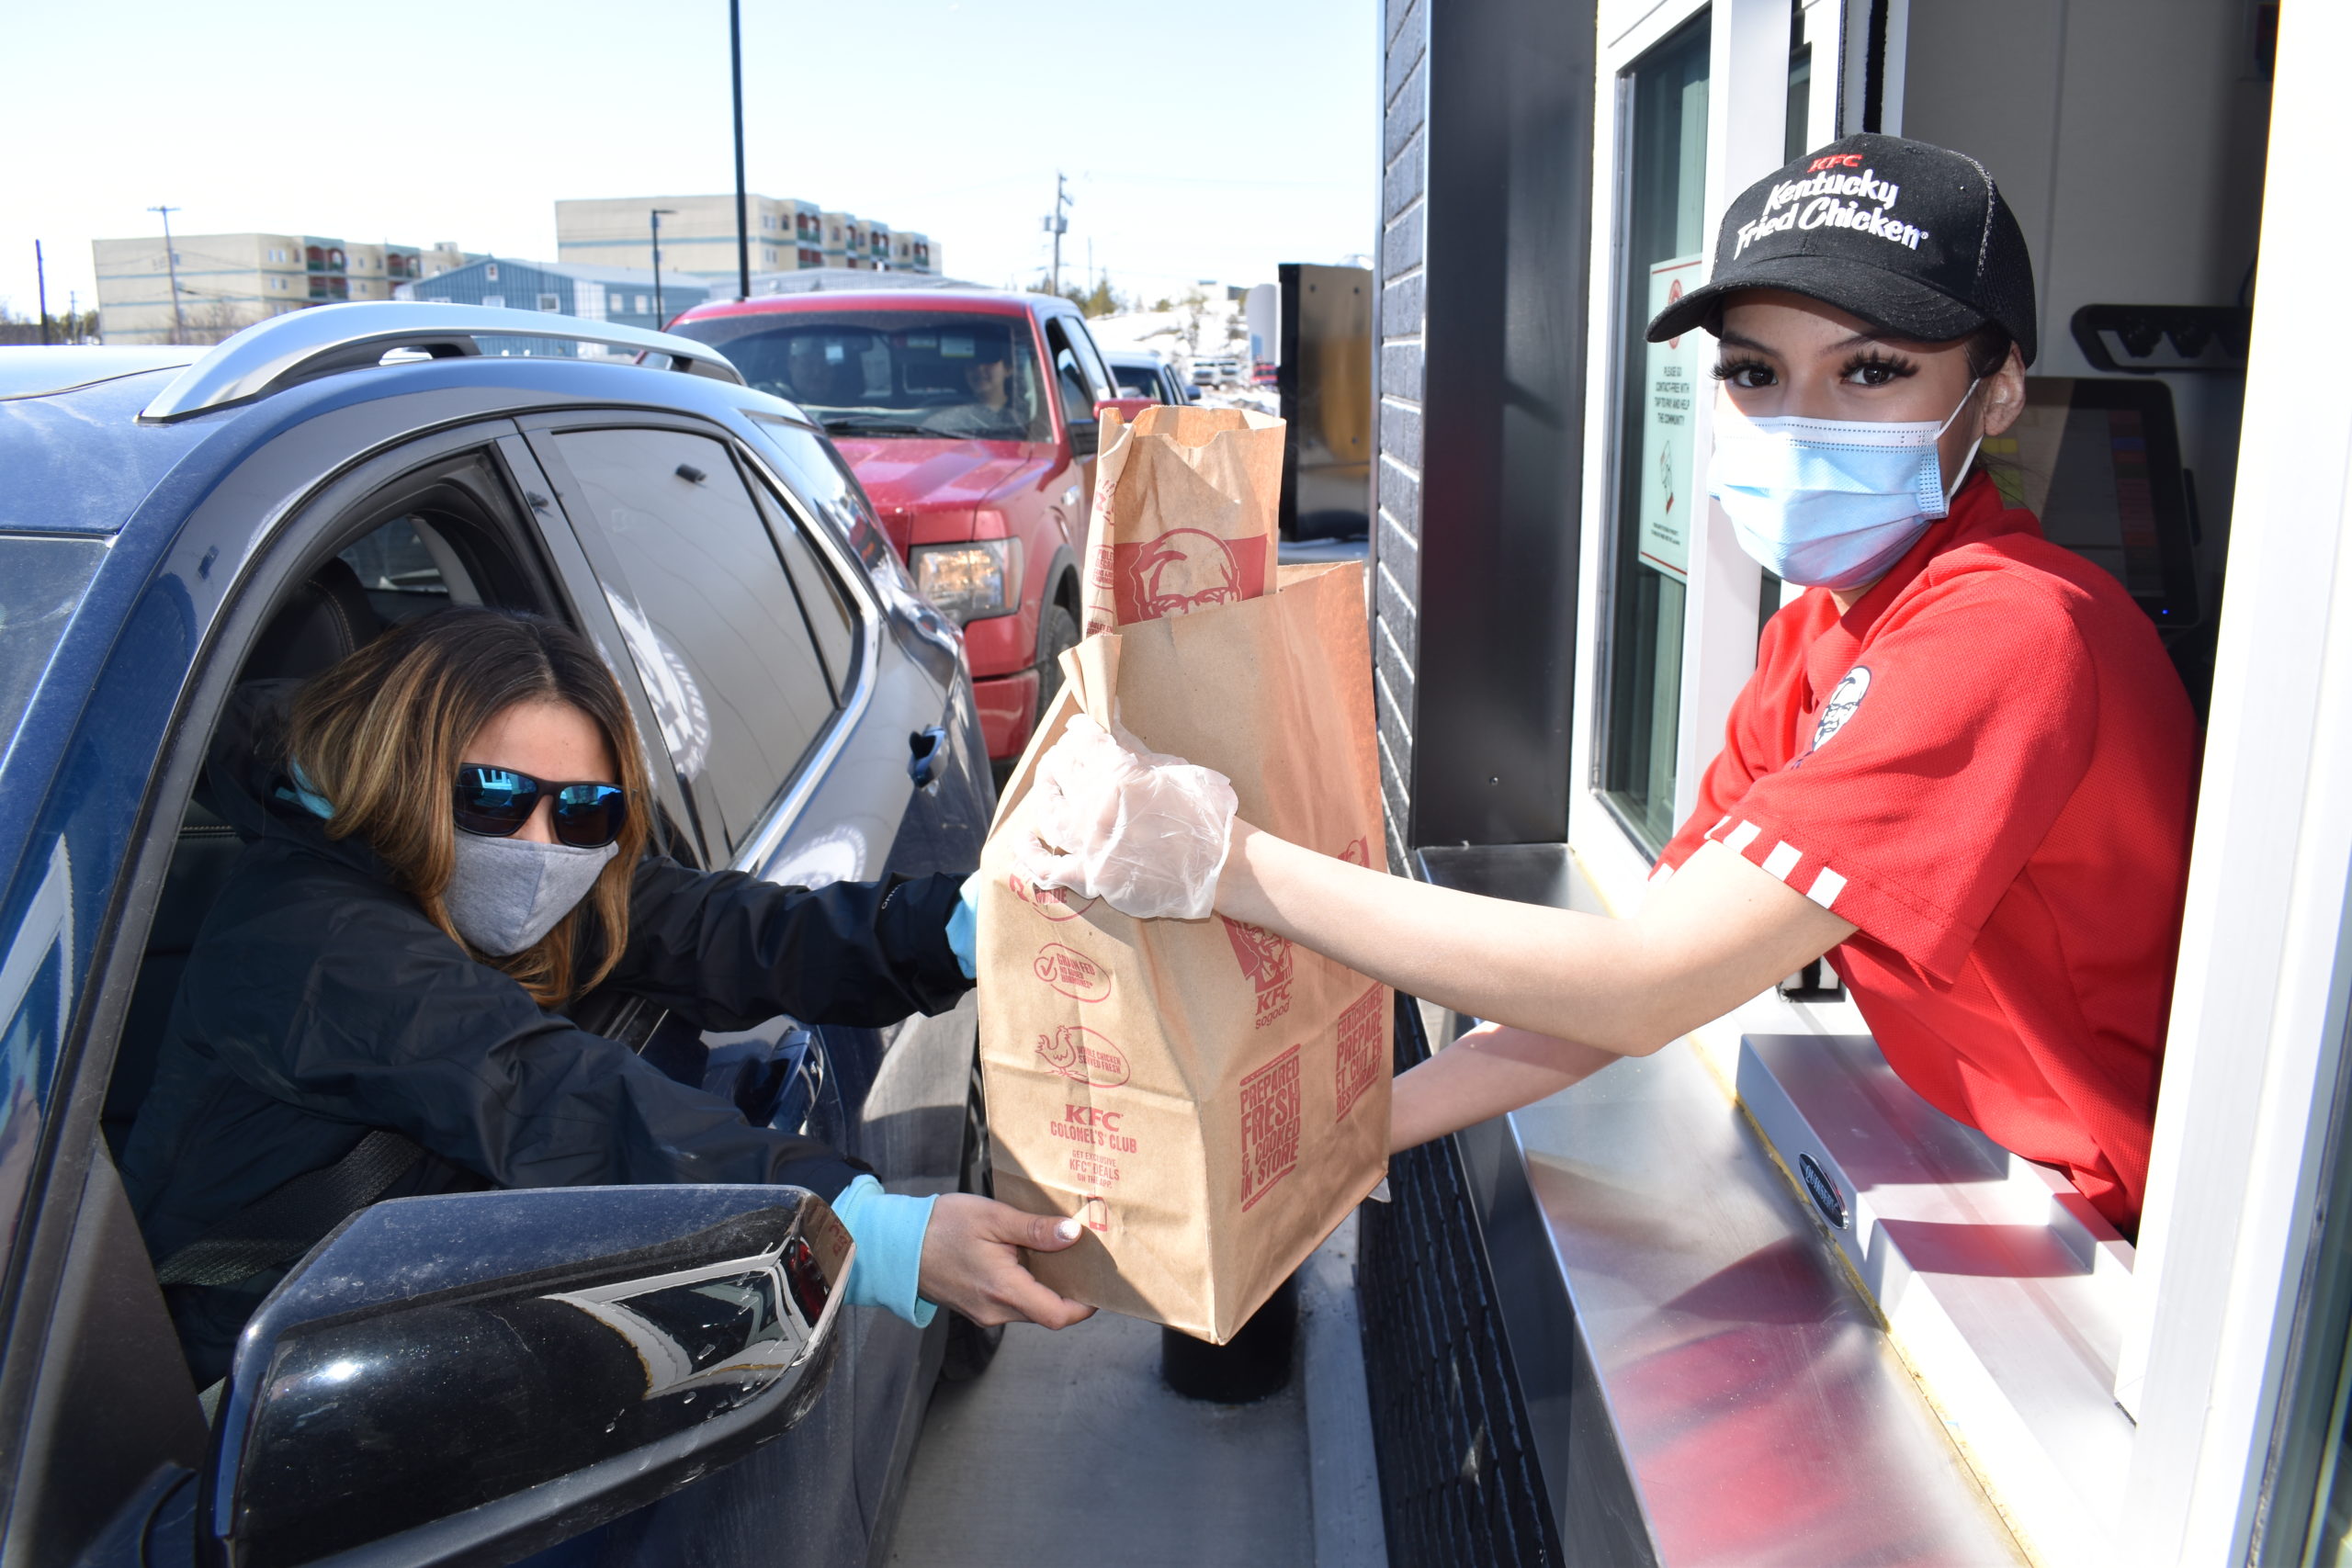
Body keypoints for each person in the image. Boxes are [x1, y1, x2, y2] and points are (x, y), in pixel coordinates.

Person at [1014, 134, 2198, 1238]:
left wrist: (1225, 864)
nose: (1796, 423)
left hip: (2131, 1250)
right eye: (1753, 373)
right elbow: (1623, 980)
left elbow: (1641, 990)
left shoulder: (2009, 631)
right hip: (2011, 1183)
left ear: (1994, 395)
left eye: (1872, 371)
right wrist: (1342, 1143)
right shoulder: (1818, 644)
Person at [124, 607, 1089, 1385]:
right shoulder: (313, 939)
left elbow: (740, 930)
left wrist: (983, 922)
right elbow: (542, 1093)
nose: (539, 845)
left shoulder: (505, 871)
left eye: (586, 809)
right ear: (402, 767)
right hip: (231, 1391)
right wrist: (869, 1234)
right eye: (492, 794)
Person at [924, 336, 1032, 438]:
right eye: (972, 362)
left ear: (1008, 368)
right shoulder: (945, 421)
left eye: (989, 360)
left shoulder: (1028, 415)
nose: (979, 368)